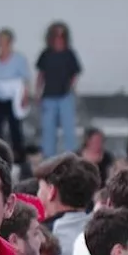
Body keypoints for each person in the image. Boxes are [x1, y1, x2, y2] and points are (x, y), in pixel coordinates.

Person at [0, 29, 31, 165]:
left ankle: (19, 158)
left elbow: (25, 80)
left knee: (15, 128)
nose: (0, 43)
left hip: (12, 98)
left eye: (3, 40)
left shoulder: (19, 59)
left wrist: (25, 96)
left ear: (9, 42)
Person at [36, 22, 81, 159]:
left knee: (69, 128)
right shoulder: (46, 54)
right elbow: (41, 74)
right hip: (49, 96)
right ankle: (49, 157)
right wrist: (38, 91)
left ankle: (70, 157)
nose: (59, 38)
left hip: (65, 96)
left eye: (62, 35)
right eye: (56, 35)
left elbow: (75, 73)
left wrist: (71, 87)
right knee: (48, 129)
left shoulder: (69, 53)